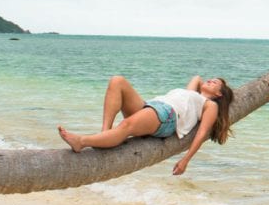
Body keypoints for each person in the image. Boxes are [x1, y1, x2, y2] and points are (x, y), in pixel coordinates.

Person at [57, 74, 234, 175]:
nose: (209, 81)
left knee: (127, 125)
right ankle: (104, 133)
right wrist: (207, 84)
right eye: (210, 79)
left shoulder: (209, 105)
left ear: (219, 94)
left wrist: (186, 160)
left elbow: (202, 133)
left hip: (168, 115)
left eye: (215, 83)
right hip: (152, 106)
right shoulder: (190, 93)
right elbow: (196, 78)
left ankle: (82, 142)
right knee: (117, 81)